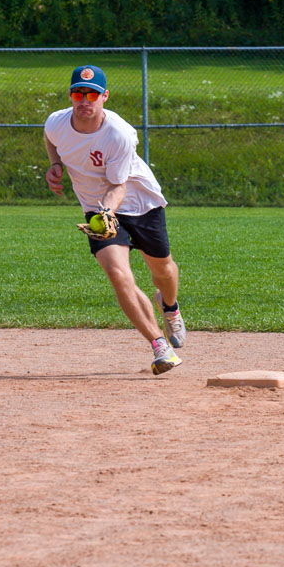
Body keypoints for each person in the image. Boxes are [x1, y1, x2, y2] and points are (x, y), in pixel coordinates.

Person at [44, 65, 186, 375]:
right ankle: (159, 345)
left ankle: (170, 306)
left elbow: (118, 186)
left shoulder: (118, 134)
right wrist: (55, 165)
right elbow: (51, 140)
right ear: (70, 95)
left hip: (139, 203)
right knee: (118, 273)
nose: (85, 101)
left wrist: (108, 210)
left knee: (162, 268)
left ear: (104, 96)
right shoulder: (56, 122)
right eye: (78, 94)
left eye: (92, 94)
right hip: (98, 211)